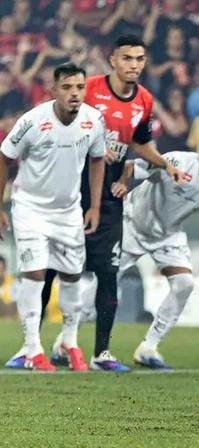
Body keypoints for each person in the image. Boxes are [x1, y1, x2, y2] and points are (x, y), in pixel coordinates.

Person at [39, 35, 187, 373]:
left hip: (109, 197)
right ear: (113, 61)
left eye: (139, 59)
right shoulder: (88, 88)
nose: (134, 65)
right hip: (72, 189)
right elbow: (62, 119)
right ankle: (34, 346)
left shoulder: (145, 100)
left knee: (108, 273)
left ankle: (101, 352)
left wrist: (165, 164)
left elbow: (140, 144)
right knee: (51, 268)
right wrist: (90, 142)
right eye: (128, 58)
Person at [0, 63, 106, 372]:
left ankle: (68, 342)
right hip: (30, 209)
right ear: (54, 91)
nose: (75, 93)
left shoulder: (93, 121)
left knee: (72, 276)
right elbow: (4, 158)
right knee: (34, 274)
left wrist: (95, 206)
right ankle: (32, 347)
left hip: (69, 211)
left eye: (79, 88)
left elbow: (98, 159)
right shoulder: (32, 121)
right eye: (67, 88)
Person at [118, 128, 199, 370]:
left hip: (168, 235)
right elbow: (130, 167)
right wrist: (119, 184)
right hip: (131, 225)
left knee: (184, 284)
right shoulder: (176, 162)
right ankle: (65, 343)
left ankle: (148, 347)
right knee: (100, 284)